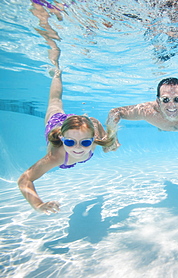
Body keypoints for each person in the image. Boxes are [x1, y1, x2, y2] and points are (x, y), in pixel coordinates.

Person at [18, 3, 115, 215]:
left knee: (68, 107)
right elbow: (24, 179)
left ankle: (57, 68)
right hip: (58, 122)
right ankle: (56, 66)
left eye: (85, 142)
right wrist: (38, 204)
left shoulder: (92, 139)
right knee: (55, 101)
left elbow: (97, 130)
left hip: (77, 124)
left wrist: (107, 139)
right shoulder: (55, 156)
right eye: (71, 142)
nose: (78, 148)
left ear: (92, 139)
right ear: (63, 139)